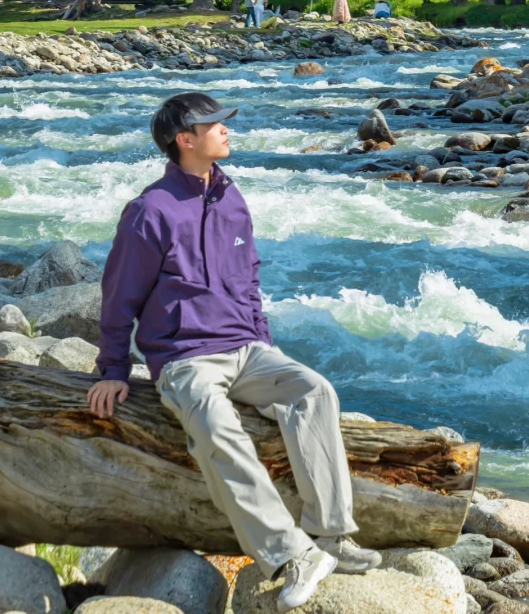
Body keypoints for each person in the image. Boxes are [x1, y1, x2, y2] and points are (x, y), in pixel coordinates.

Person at [87, 93, 379, 611]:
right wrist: (112, 368)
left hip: (245, 348)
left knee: (314, 391)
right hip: (184, 358)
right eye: (214, 124)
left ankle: (330, 534)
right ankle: (292, 555)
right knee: (216, 425)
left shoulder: (231, 197)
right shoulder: (149, 212)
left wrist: (262, 340)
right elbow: (119, 295)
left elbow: (249, 280)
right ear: (185, 140)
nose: (226, 129)